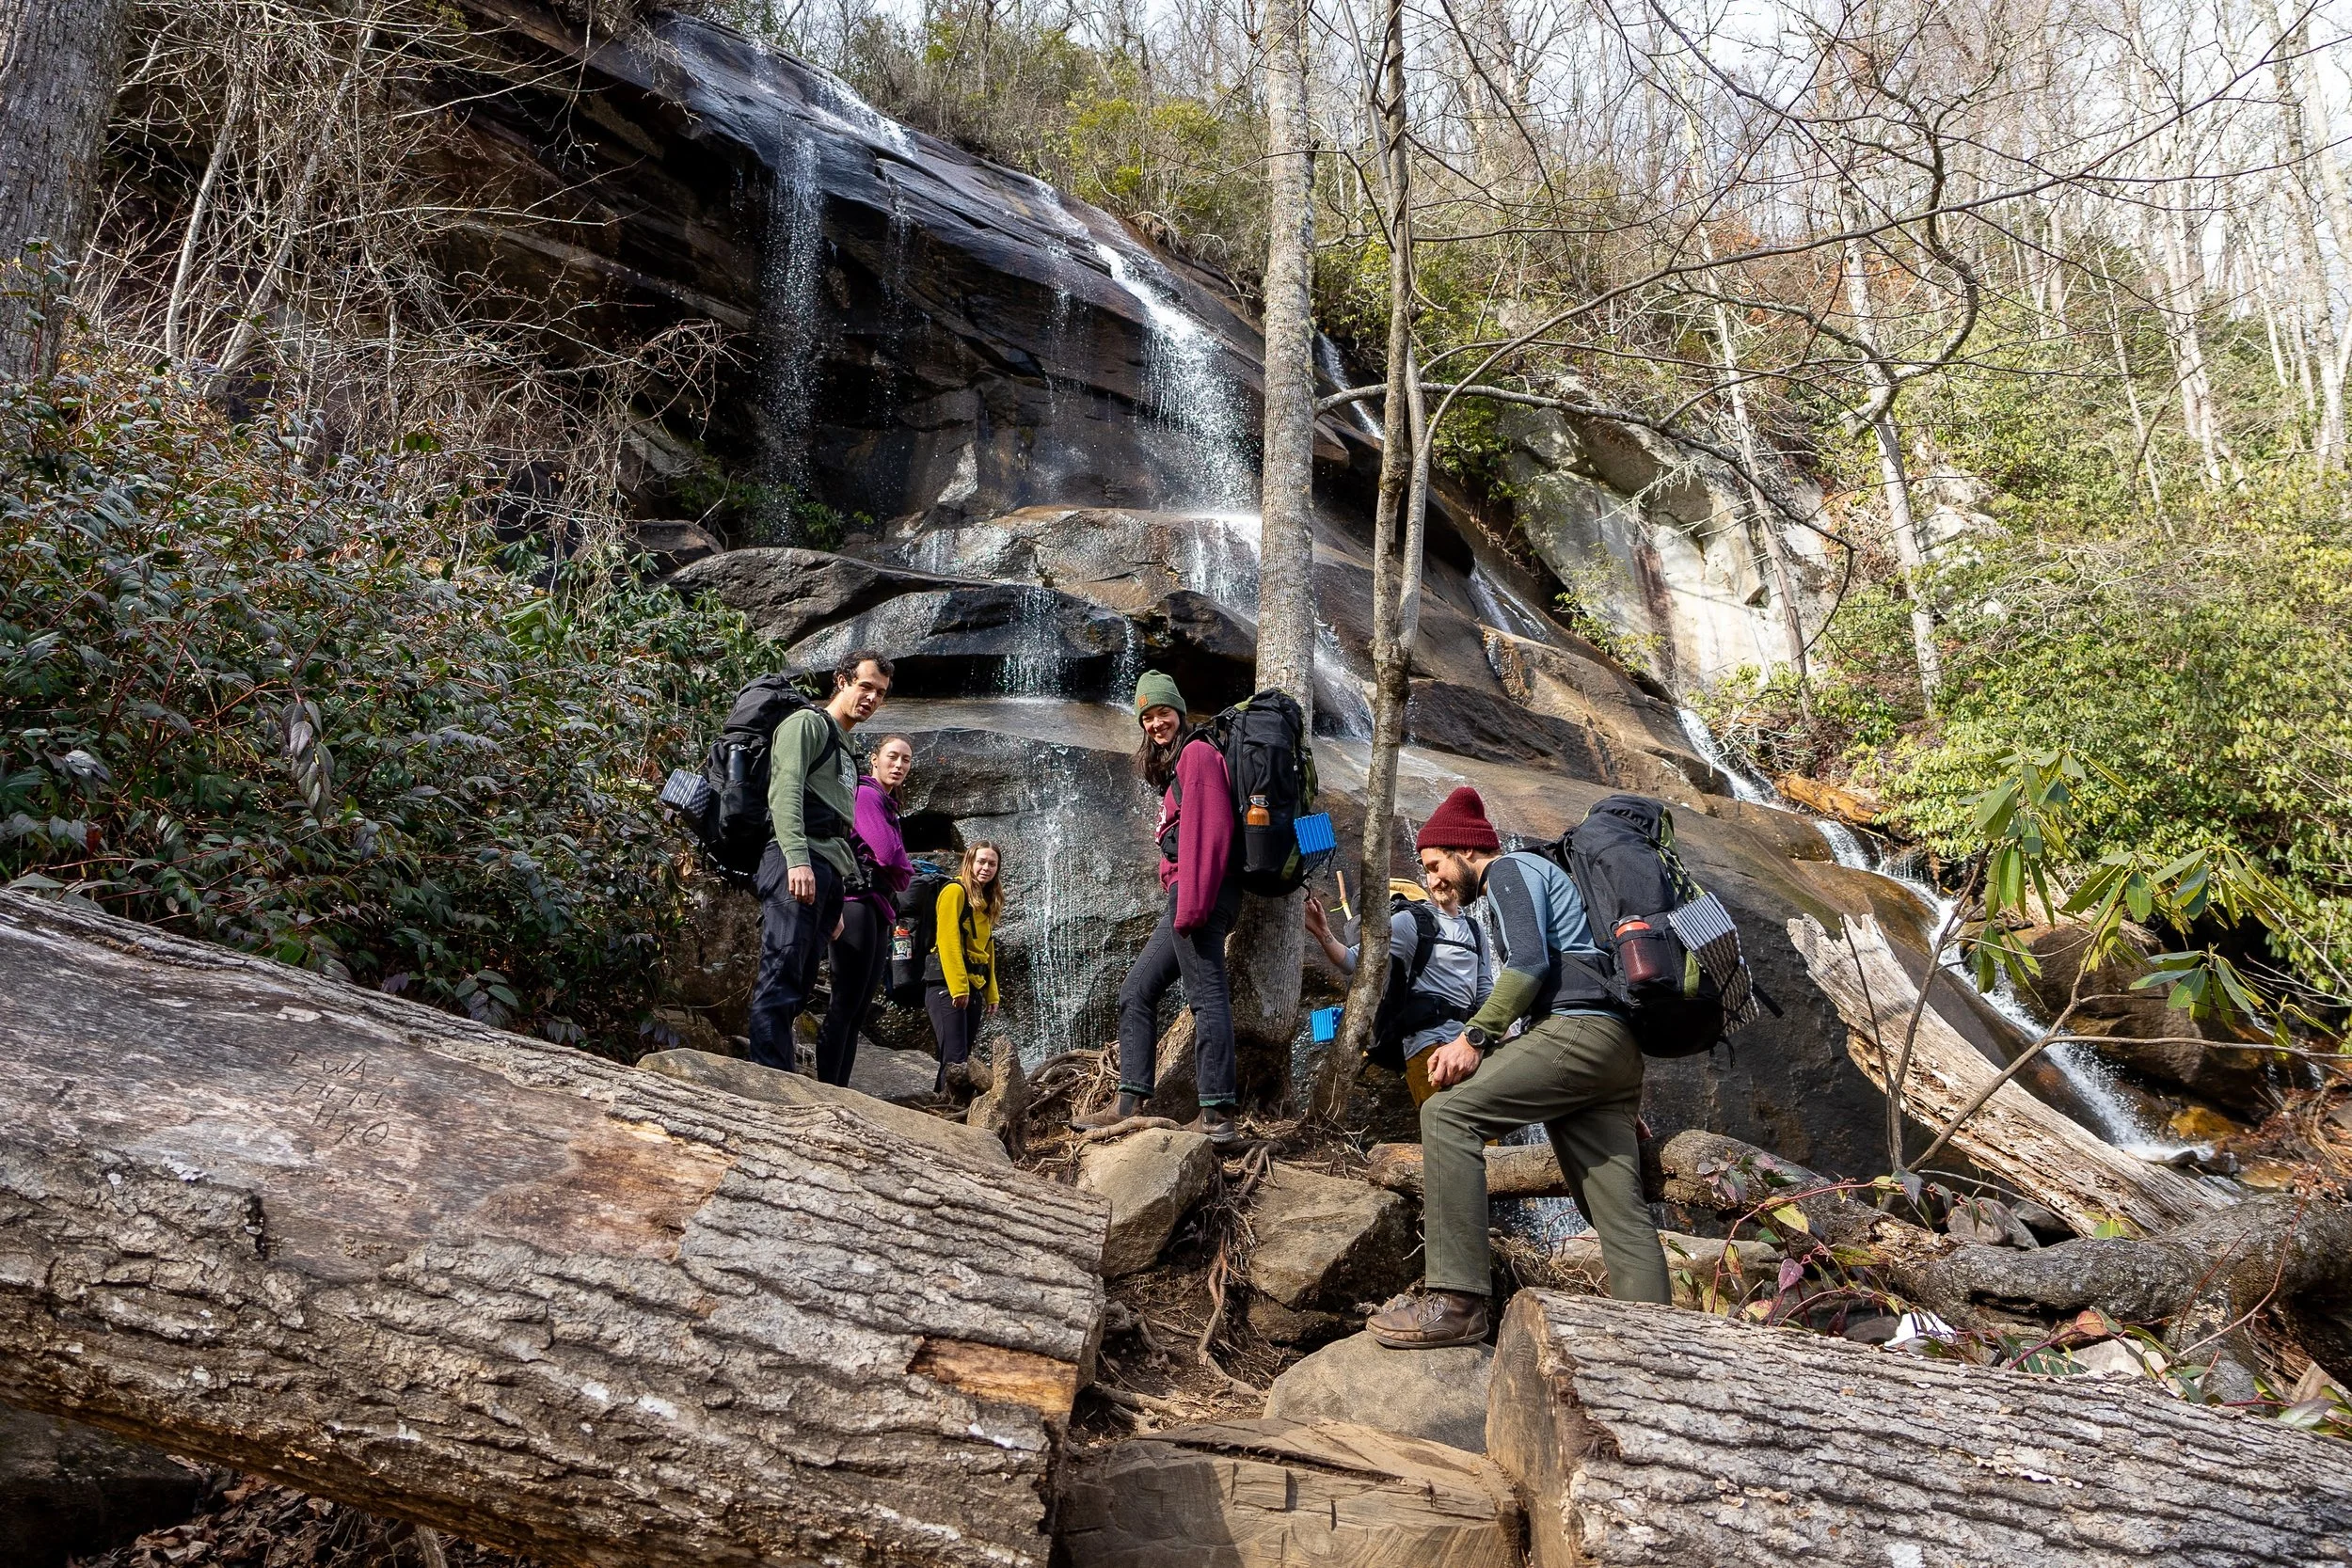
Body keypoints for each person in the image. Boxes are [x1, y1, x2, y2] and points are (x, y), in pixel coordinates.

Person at [1366, 785, 1670, 1349]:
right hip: (1611, 1050)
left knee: (1448, 1115)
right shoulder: (1541, 877)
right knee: (1618, 1212)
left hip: (1577, 1034)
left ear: (1464, 849)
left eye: (1435, 864)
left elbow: (1528, 964)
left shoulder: (1507, 871)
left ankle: (1456, 1302)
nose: (1434, 881)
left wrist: (1473, 1037)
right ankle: (1657, 1348)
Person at [1072, 670, 1241, 1145]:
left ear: (1180, 712)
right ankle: (1129, 1102)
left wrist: (1191, 905)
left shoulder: (1198, 754)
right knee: (1136, 991)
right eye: (1145, 716)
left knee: (1206, 996)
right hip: (1188, 896)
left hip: (1199, 894)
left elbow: (1210, 833)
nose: (1154, 723)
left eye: (1162, 712)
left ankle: (1216, 1115)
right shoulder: (1180, 763)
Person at [746, 650, 892, 1073]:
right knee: (782, 972)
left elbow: (839, 825)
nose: (871, 698)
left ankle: (781, 1073)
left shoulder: (846, 747)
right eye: (865, 686)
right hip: (797, 858)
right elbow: (785, 789)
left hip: (826, 871)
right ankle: (770, 1082)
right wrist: (796, 859)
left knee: (803, 977)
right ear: (842, 681)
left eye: (880, 693)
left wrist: (835, 900)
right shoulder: (808, 723)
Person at [1303, 872, 1490, 1105]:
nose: (1436, 880)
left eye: (1440, 867)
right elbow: (1354, 961)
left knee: (1485, 1135)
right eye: (1430, 870)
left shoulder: (1475, 930)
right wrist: (1323, 932)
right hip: (1429, 1045)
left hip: (1469, 1046)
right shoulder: (1409, 921)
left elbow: (1485, 994)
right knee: (1452, 1126)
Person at [814, 733, 915, 1086]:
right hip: (856, 903)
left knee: (858, 1008)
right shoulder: (868, 794)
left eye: (905, 759)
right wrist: (904, 870)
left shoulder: (889, 806)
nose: (899, 764)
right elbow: (889, 855)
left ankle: (840, 1088)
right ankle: (825, 1086)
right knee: (845, 1001)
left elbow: (893, 863)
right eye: (892, 756)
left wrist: (900, 871)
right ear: (874, 759)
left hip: (878, 906)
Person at [926, 840, 1002, 1091]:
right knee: (954, 1058)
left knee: (962, 1058)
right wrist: (959, 988)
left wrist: (991, 992)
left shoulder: (986, 901)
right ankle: (944, 1116)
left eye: (992, 863)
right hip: (948, 985)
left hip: (973, 985)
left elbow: (987, 949)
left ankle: (944, 1107)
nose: (986, 868)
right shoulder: (954, 891)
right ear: (969, 862)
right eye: (981, 861)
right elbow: (947, 940)